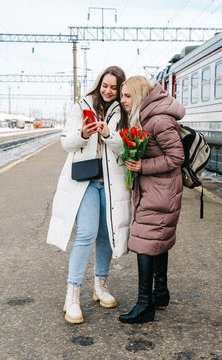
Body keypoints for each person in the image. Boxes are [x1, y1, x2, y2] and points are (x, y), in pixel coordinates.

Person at [46, 66, 131, 324]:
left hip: (111, 183)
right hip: (85, 182)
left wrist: (108, 135)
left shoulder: (123, 111)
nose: (108, 90)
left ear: (119, 89)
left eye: (113, 87)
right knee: (86, 234)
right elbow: (66, 143)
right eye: (105, 85)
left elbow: (126, 146)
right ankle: (72, 296)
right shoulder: (80, 106)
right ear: (99, 84)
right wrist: (84, 134)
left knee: (107, 234)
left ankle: (100, 286)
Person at [118, 76, 185, 324]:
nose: (123, 100)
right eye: (122, 96)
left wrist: (142, 165)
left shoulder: (158, 119)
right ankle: (160, 293)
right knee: (157, 240)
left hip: (161, 192)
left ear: (140, 94)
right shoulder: (148, 116)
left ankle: (145, 305)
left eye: (127, 95)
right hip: (157, 190)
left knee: (145, 242)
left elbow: (176, 157)